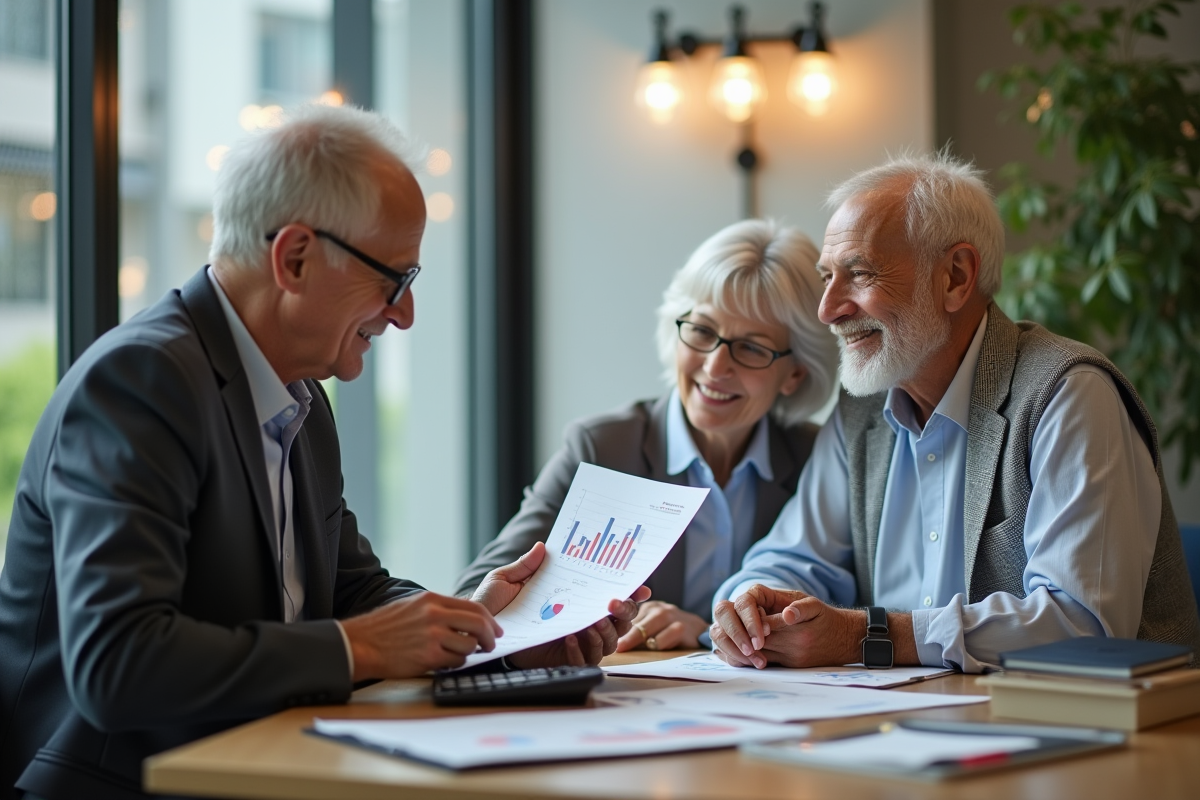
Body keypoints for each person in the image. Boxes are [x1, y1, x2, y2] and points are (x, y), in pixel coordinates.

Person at [0, 105, 642, 800]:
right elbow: (116, 664)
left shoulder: (300, 396)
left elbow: (351, 589)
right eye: (395, 280)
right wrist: (361, 647)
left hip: (261, 765)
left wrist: (487, 632)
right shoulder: (140, 383)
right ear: (295, 257)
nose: (404, 314)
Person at [710, 151, 1200, 673]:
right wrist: (747, 607)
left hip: (1095, 735)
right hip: (898, 726)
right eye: (827, 277)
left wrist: (867, 637)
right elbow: (793, 558)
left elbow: (1081, 623)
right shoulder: (861, 410)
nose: (828, 310)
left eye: (858, 273)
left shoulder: (1070, 394)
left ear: (955, 277)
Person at [455, 220, 839, 652]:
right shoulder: (602, 449)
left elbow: (841, 609)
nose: (715, 367)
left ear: (795, 374)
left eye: (751, 347)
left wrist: (701, 631)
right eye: (702, 331)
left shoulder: (820, 459)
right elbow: (475, 592)